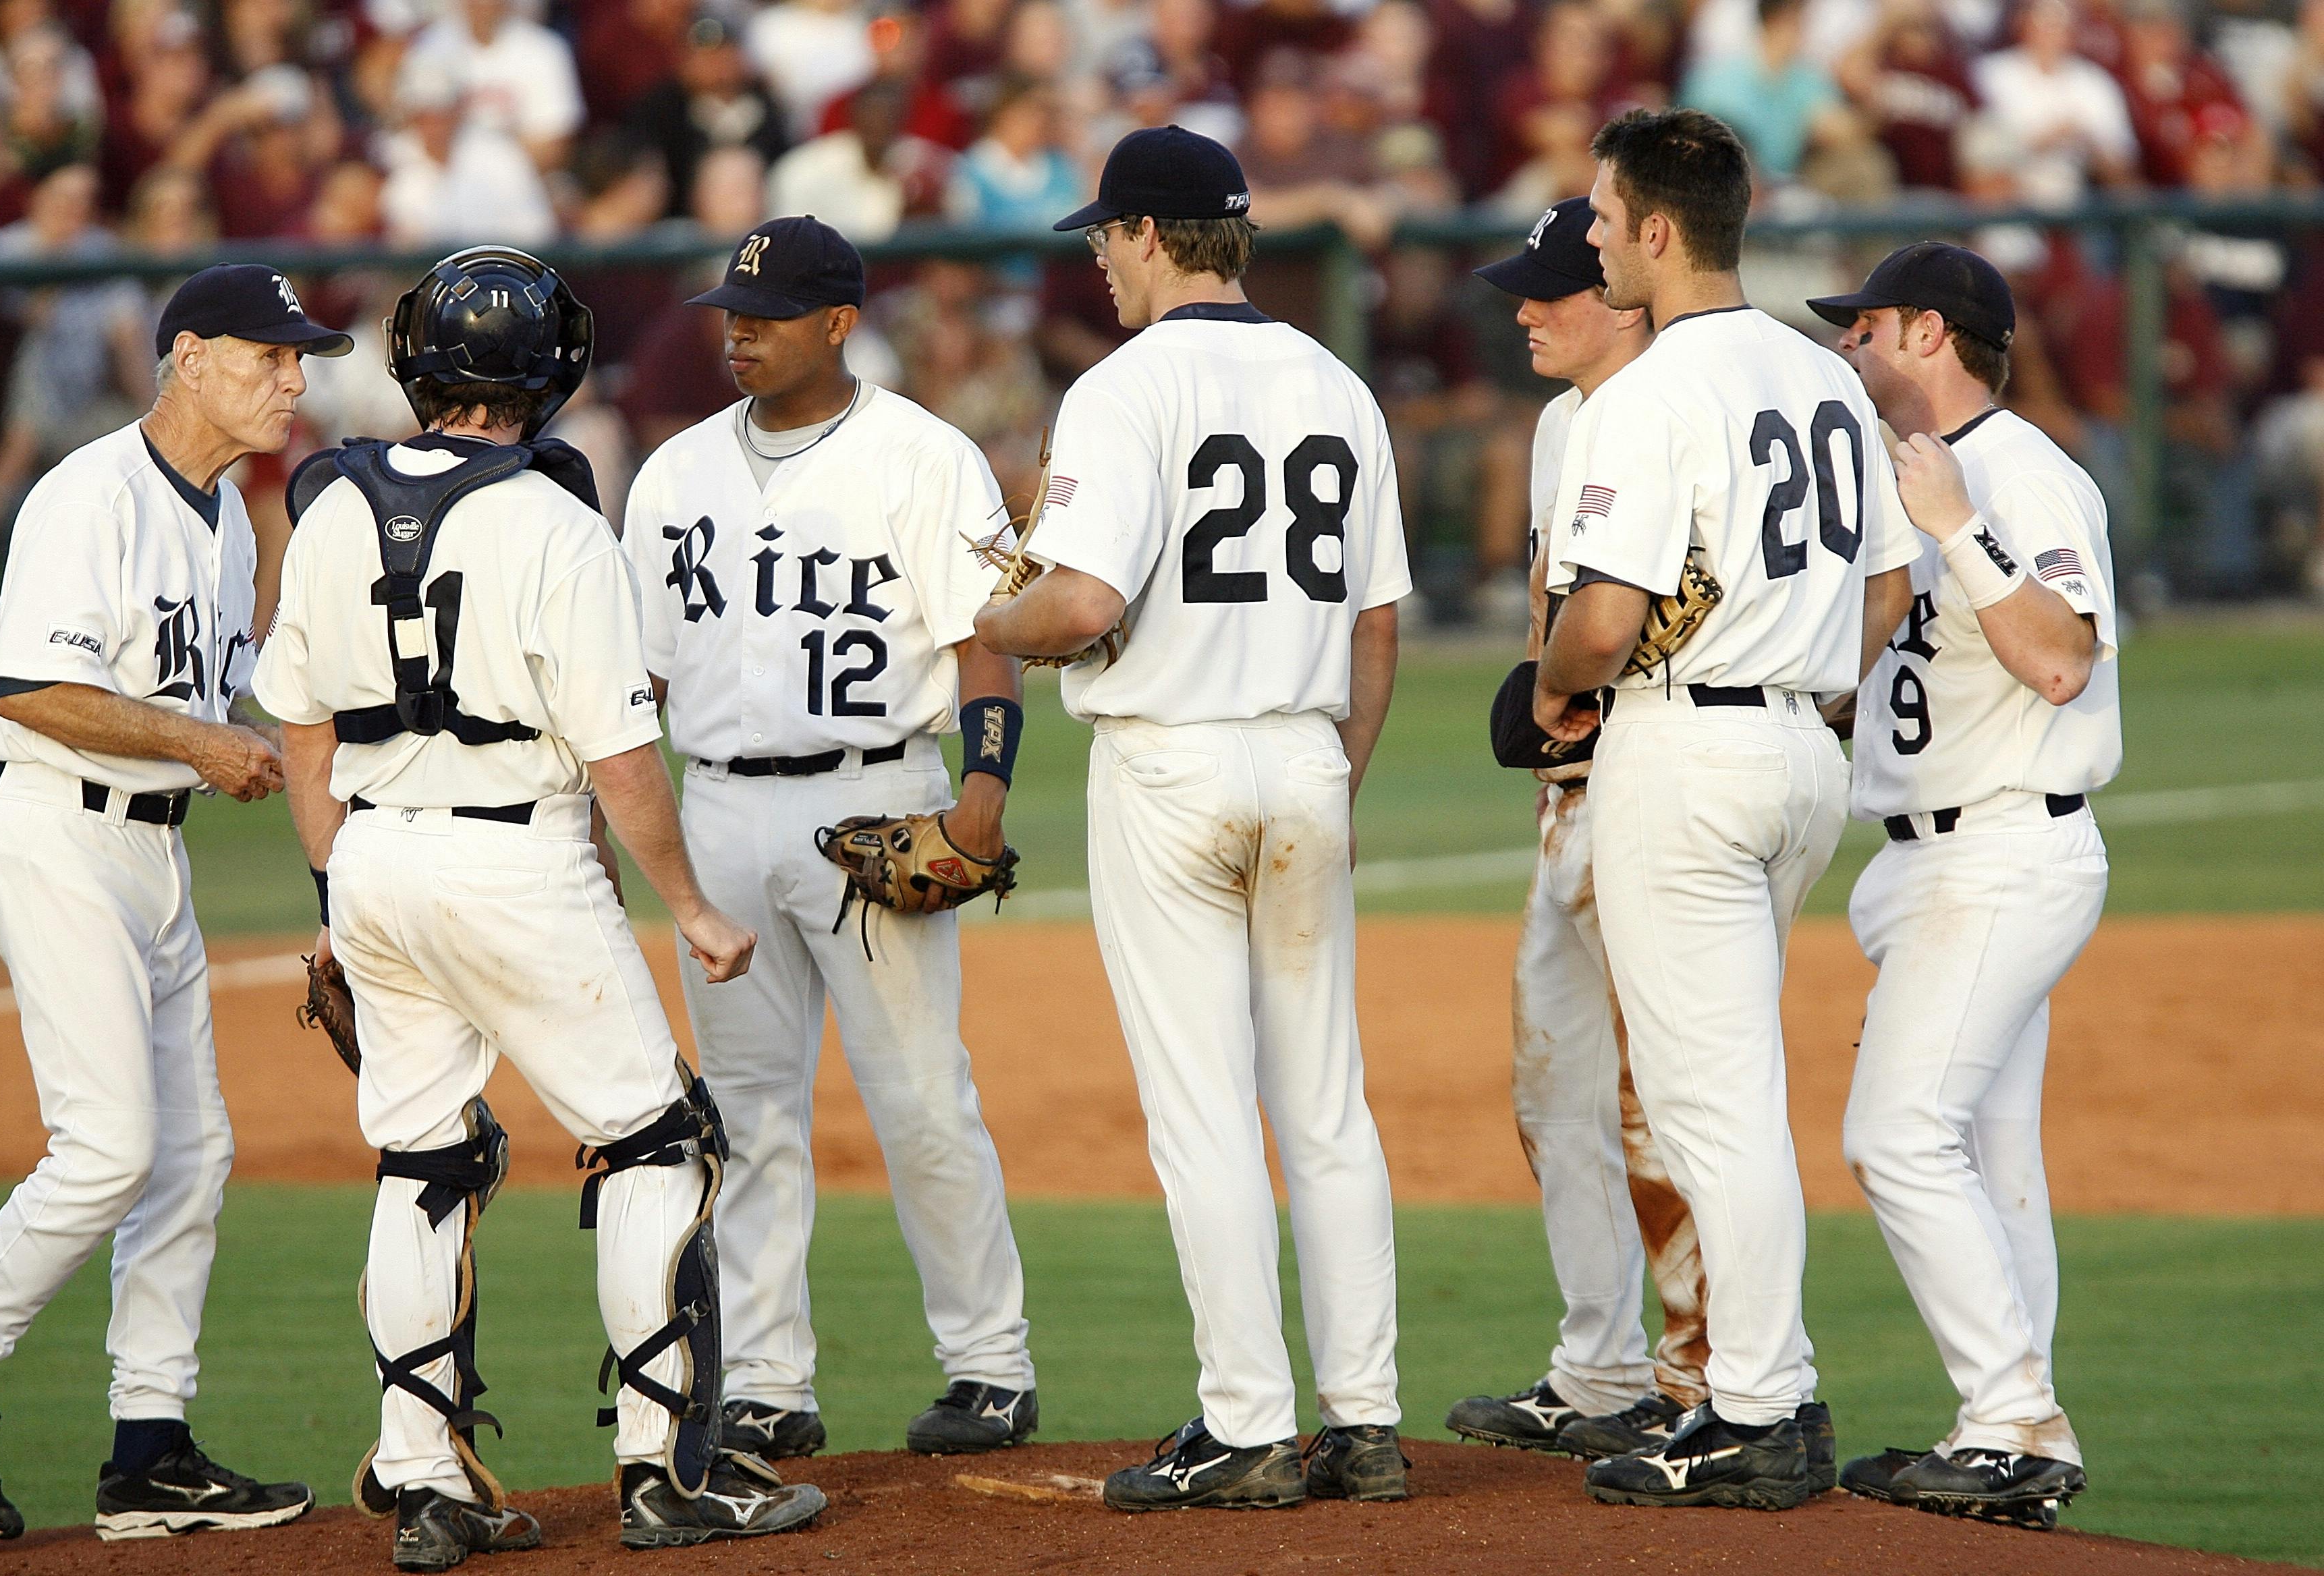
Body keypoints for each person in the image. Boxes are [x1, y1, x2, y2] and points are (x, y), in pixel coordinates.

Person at [254, 246, 827, 1567]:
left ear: (417, 360)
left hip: (378, 854)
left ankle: (422, 1482)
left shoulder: (332, 505)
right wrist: (688, 904)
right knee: (657, 1142)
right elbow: (622, 759)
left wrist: (335, 894)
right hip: (515, 859)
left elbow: (298, 730)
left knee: (423, 1160)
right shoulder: (562, 522)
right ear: (550, 371)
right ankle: (667, 1469)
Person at [975, 126, 1413, 1511]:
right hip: (1304, 752)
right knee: (1327, 1104)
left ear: (1155, 235)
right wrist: (1336, 764)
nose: (1098, 257)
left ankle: (1247, 1423)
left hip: (1171, 763)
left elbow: (1084, 605)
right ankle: (1367, 1417)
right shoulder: (1337, 380)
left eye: (1106, 234)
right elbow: (1379, 622)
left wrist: (985, 615)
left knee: (1204, 1106)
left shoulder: (1121, 387)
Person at [1531, 108, 1918, 1509]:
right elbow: (1885, 589)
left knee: (1713, 1099)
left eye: (1599, 211)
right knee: (1731, 1083)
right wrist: (1809, 687)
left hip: (1686, 757)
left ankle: (1759, 1404)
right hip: (1804, 753)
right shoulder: (1822, 376)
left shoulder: (1648, 389)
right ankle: (1769, 1387)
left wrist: (1558, 685)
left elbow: (1605, 618)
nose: (1584, 233)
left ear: (1655, 229)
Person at [621, 215, 1041, 1463]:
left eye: (766, 316)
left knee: (920, 1098)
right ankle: (765, 1382)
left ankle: (990, 1368)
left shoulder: (924, 455)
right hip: (721, 805)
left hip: (878, 798)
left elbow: (987, 634)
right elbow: (633, 674)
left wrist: (982, 791)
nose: (738, 334)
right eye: (730, 315)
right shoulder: (674, 474)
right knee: (748, 1116)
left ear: (841, 324)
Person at [0, 264, 348, 1544]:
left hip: (154, 858)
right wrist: (198, 742)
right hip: (59, 835)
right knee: (111, 1148)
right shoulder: (92, 494)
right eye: (269, 355)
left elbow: (211, 712)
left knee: (192, 1159)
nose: (294, 378)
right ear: (188, 357)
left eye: (301, 359)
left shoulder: (232, 519)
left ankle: (150, 1452)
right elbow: (26, 689)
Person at [1808, 242, 2116, 1530]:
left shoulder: (2020, 476)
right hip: (1933, 858)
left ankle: (2016, 1424)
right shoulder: (1913, 481)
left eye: (1864, 327)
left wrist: (1959, 530)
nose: (1845, 348)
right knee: (1991, 1160)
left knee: (1896, 1136)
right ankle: (2003, 1437)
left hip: (2005, 847)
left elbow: (2059, 661)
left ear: (1928, 333)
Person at [1449, 196, 1729, 1463]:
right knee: (1555, 1088)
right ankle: (1602, 1366)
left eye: (1551, 289)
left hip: (1663, 788)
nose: (1525, 309)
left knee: (1656, 1097)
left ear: (1623, 295)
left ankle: (1708, 1376)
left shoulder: (1678, 405)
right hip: (1574, 801)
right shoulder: (1567, 425)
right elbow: (1556, 603)